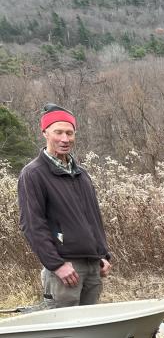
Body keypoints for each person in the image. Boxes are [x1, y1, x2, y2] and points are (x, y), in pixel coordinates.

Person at [17, 104, 112, 308]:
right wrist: (57, 265)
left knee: (90, 330)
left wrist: (102, 255)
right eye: (58, 132)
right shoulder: (33, 174)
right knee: (63, 331)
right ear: (45, 133)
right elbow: (32, 224)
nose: (65, 139)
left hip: (92, 265)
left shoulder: (81, 174)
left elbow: (93, 219)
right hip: (65, 269)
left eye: (69, 133)